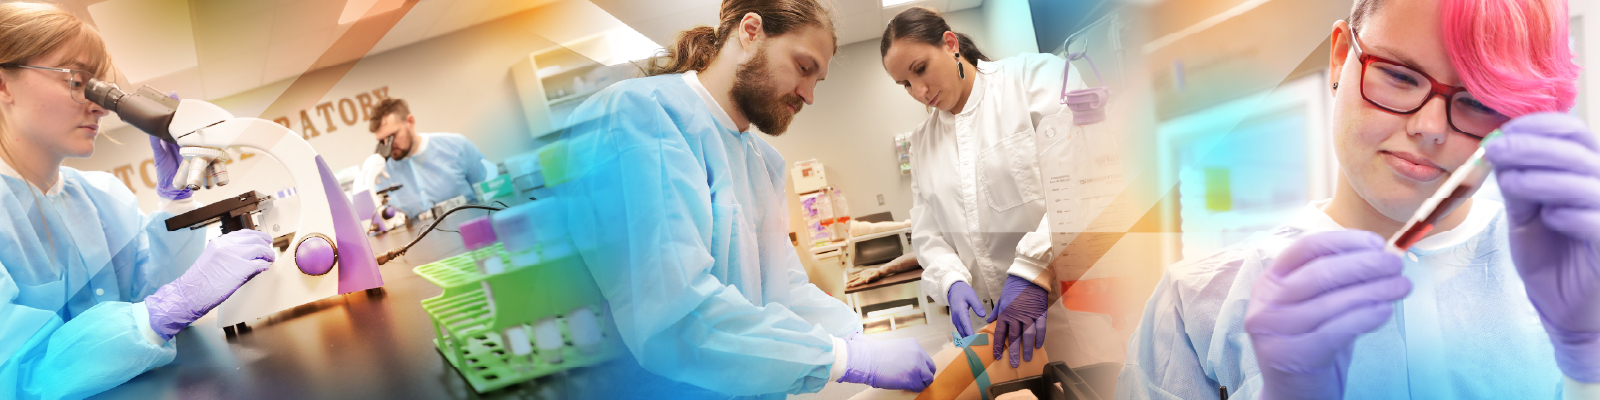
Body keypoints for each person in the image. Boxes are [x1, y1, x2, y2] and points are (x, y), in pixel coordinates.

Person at [1119, 0, 1598, 398]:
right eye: (1399, 76)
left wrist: (1586, 360)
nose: (1429, 128)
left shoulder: (1576, 274)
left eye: (1478, 102)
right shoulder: (1197, 305)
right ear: (1339, 57)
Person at [554, 0, 936, 398]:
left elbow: (784, 289)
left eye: (817, 81)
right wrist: (846, 359)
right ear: (751, 31)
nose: (808, 96)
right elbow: (676, 317)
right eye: (804, 68)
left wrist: (859, 338)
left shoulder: (760, 160)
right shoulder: (639, 117)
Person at [0, 3, 277, 399]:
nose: (98, 105)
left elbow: (150, 292)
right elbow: (14, 379)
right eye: (77, 80)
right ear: (4, 85)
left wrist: (177, 201)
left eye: (99, 86)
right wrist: (163, 310)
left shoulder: (101, 195)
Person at [879, 6, 1081, 366]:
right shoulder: (923, 142)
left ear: (950, 44)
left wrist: (1034, 270)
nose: (919, 91)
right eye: (905, 84)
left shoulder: (1034, 81)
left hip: (1075, 308)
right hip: (995, 330)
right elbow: (928, 234)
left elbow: (1084, 181)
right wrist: (951, 280)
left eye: (920, 69)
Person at [366, 98, 490, 217]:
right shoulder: (381, 172)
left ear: (410, 122)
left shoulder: (457, 146)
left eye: (392, 136)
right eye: (382, 141)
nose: (389, 145)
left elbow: (493, 193)